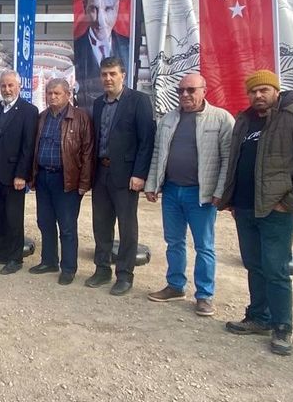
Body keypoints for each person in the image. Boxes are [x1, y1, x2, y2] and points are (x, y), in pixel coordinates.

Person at [219, 70, 293, 356]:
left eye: (264, 90)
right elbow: (235, 160)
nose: (258, 96)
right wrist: (230, 197)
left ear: (276, 90)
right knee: (253, 265)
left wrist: (291, 201)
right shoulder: (244, 120)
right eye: (253, 91)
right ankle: (259, 317)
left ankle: (282, 327)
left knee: (276, 269)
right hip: (244, 207)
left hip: (275, 209)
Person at [144, 73, 234, 316]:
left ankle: (204, 295)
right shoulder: (168, 119)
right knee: (174, 241)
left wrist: (221, 191)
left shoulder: (221, 119)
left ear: (204, 90)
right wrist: (152, 184)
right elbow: (157, 153)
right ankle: (175, 285)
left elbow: (228, 159)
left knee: (204, 246)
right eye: (180, 90)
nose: (184, 94)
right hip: (172, 191)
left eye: (191, 90)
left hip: (201, 194)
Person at [87, 57, 155, 296]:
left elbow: (146, 141)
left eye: (112, 74)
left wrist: (139, 174)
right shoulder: (98, 104)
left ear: (123, 75)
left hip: (126, 176)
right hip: (101, 173)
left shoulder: (138, 101)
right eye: (104, 74)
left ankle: (125, 275)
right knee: (101, 224)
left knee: (127, 227)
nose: (108, 78)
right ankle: (102, 269)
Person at [29, 78, 92, 285]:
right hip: (44, 177)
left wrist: (84, 183)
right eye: (49, 93)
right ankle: (49, 261)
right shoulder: (42, 117)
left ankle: (68, 268)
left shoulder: (80, 117)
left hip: (66, 180)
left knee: (67, 226)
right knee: (45, 222)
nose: (52, 97)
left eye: (57, 93)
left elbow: (87, 152)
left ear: (67, 95)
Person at [0, 71, 38, 275]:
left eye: (11, 85)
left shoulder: (28, 111)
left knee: (13, 219)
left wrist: (22, 174)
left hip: (14, 176)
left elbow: (28, 146)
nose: (7, 89)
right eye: (3, 85)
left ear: (19, 86)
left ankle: (14, 258)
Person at [73, 0, 133, 109]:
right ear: (84, 7)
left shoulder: (130, 49)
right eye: (93, 9)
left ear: (117, 7)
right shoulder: (74, 52)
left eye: (108, 9)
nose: (101, 20)